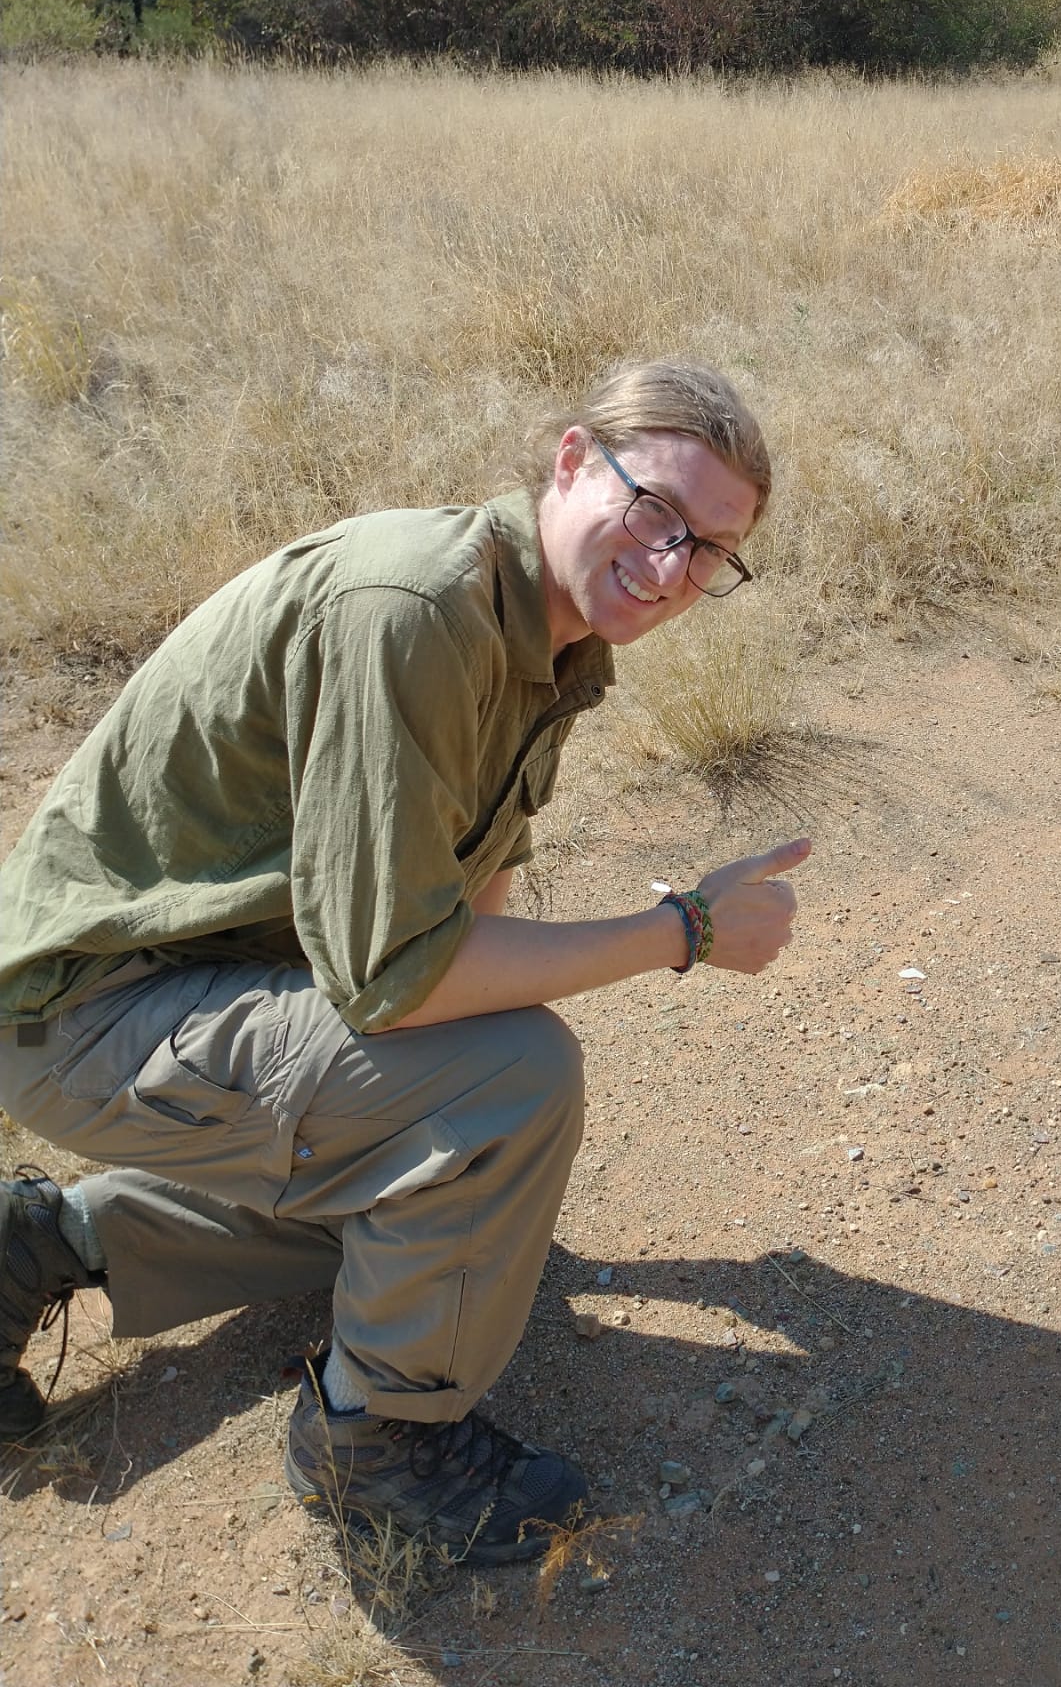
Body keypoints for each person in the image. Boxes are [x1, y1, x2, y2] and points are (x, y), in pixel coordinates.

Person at [0, 358, 807, 1563]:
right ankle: (374, 1444)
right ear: (575, 459)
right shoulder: (420, 608)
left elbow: (469, 891)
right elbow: (394, 975)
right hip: (84, 1014)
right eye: (657, 511)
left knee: (449, 1172)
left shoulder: (544, 633)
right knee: (507, 1090)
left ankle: (47, 1243)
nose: (671, 562)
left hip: (186, 980)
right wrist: (679, 933)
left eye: (710, 549)